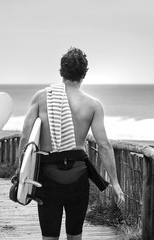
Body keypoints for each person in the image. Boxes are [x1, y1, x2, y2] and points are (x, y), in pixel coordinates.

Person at [19, 47, 125, 240]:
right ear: (84, 74)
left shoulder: (43, 97)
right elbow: (104, 145)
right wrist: (115, 183)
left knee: (49, 236)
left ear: (61, 72)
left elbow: (26, 136)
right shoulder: (93, 105)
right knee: (75, 235)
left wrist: (21, 170)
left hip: (48, 176)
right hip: (78, 176)